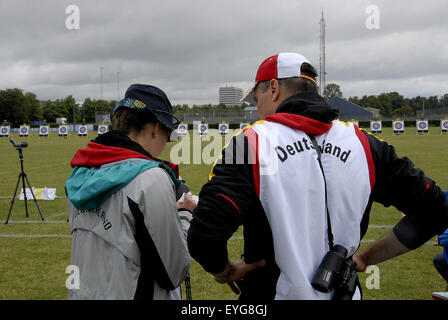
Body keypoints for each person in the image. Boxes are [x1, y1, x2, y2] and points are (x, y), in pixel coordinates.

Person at [187, 52, 448, 300]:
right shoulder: (365, 144)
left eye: (257, 98)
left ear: (274, 88)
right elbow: (436, 209)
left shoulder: (251, 143)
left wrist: (224, 272)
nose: (257, 109)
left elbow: (205, 236)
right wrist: (367, 258)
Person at [66, 84, 197, 300]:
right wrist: (185, 215)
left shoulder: (81, 174)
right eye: (167, 133)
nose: (166, 143)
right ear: (156, 128)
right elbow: (174, 271)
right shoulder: (151, 179)